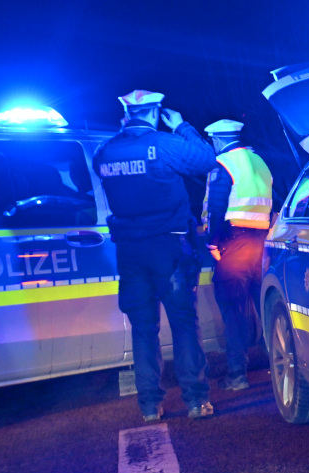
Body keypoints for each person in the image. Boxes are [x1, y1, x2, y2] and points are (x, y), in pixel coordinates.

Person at [92, 90, 217, 421]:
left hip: (130, 253)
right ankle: (195, 401)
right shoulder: (163, 144)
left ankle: (149, 405)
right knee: (183, 324)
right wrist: (182, 127)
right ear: (156, 112)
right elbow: (207, 160)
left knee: (143, 328)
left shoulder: (104, 151)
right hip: (169, 249)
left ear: (127, 113)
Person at [202, 119, 273, 391]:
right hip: (263, 244)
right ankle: (277, 367)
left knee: (233, 309)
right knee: (265, 306)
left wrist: (212, 242)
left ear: (217, 140)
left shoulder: (223, 164)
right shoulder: (259, 162)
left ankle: (237, 375)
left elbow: (216, 209)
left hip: (235, 245)